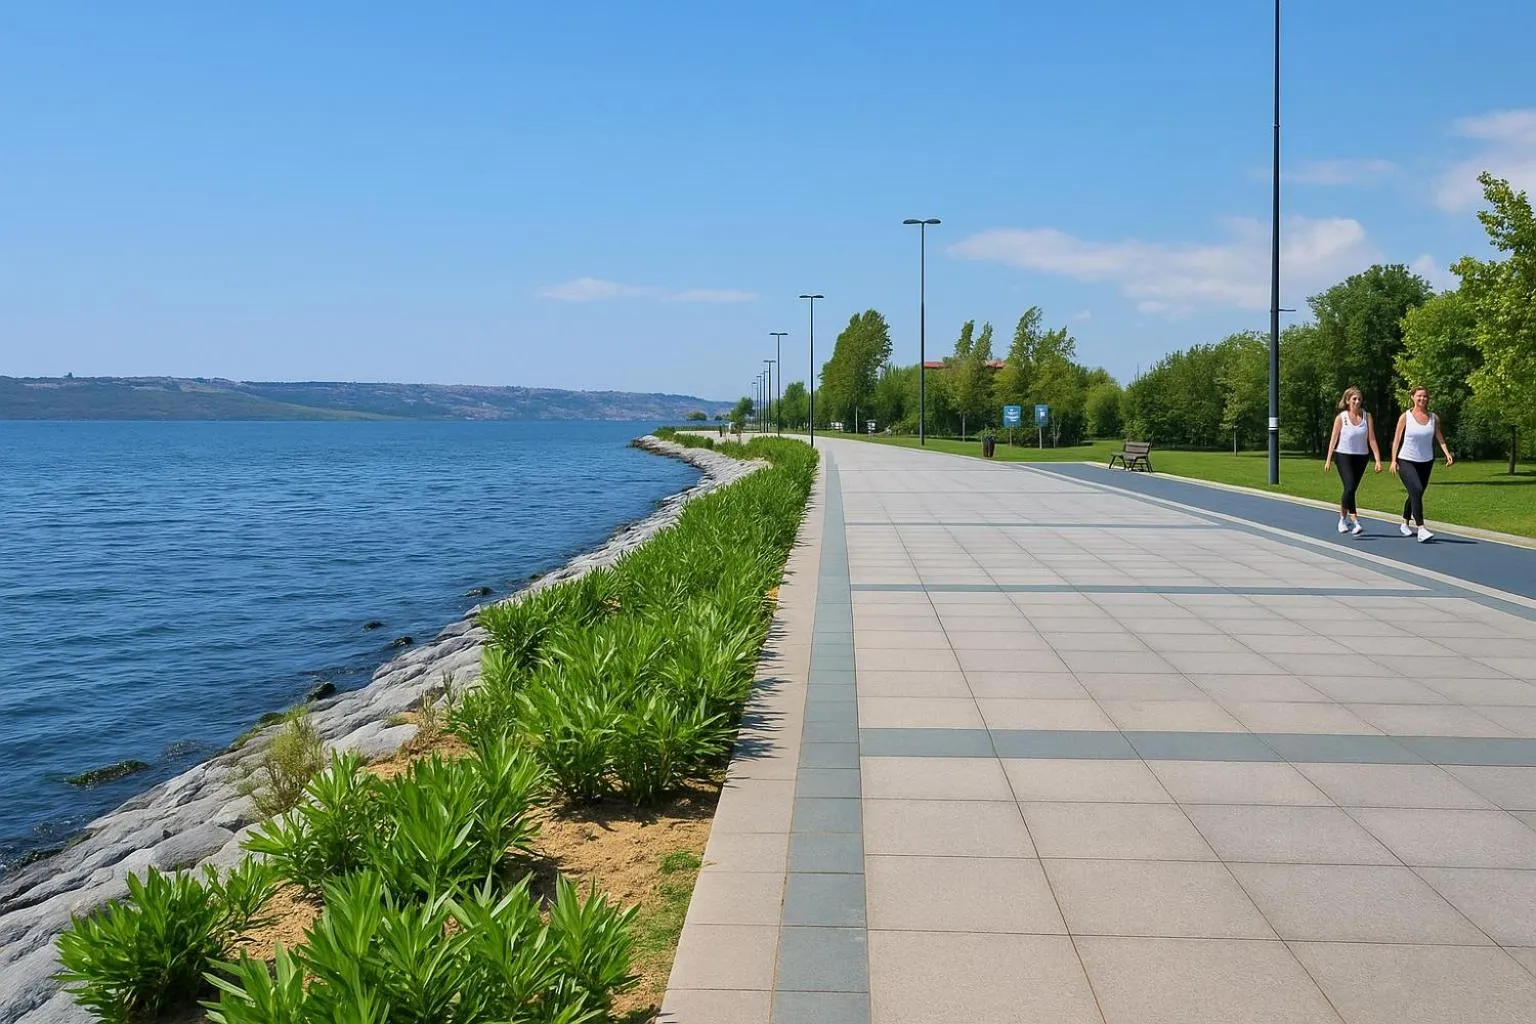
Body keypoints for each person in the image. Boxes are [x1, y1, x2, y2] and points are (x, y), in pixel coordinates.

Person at [1390, 385, 1455, 542]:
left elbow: (1439, 436)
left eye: (1425, 396)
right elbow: (1397, 439)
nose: (1422, 399)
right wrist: (1393, 460)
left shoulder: (1433, 418)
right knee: (1417, 489)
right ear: (1412, 397)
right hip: (1406, 460)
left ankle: (1405, 523)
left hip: (1426, 461)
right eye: (1419, 396)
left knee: (1416, 493)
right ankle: (1421, 528)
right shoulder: (1405, 417)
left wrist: (1447, 454)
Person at [1323, 387, 1382, 535]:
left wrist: (1377, 460)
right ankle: (1349, 519)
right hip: (1343, 456)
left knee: (1351, 490)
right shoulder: (1341, 418)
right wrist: (1328, 459)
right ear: (1348, 400)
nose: (1357, 401)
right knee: (1349, 487)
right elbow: (1333, 439)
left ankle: (1348, 519)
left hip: (1361, 457)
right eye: (1354, 399)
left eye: (1359, 399)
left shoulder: (1367, 417)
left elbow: (1372, 439)